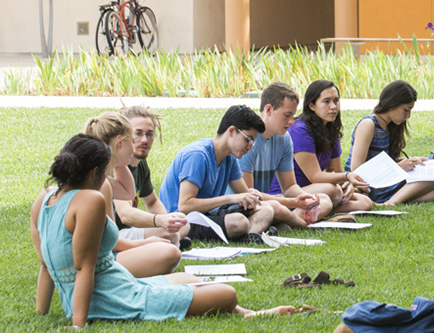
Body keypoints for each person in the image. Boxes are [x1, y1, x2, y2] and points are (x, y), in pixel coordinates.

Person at [30, 134, 303, 328]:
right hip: (117, 298)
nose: (109, 178)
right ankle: (245, 311)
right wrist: (78, 325)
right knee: (227, 294)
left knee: (187, 276)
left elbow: (46, 265)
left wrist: (41, 313)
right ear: (94, 171)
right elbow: (84, 268)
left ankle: (249, 314)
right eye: (106, 171)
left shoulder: (46, 197)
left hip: (118, 284)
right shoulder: (90, 199)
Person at [79, 112, 181, 278]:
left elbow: (129, 192)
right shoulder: (101, 183)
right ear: (120, 142)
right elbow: (110, 242)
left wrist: (118, 160)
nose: (138, 144)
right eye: (133, 138)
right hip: (100, 262)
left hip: (104, 253)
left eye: (149, 134)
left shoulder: (106, 177)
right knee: (169, 254)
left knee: (169, 249)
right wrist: (146, 242)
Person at [159, 105, 279, 243]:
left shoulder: (230, 158)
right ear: (232, 131)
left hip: (210, 215)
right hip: (183, 221)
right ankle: (250, 232)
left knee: (266, 209)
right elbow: (185, 206)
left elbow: (245, 197)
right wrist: (229, 198)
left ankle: (248, 236)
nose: (250, 147)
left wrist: (252, 197)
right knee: (239, 222)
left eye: (253, 142)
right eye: (248, 140)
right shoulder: (197, 156)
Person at [236, 82, 330, 227]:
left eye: (293, 115)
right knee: (277, 208)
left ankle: (287, 221)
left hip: (268, 201)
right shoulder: (248, 139)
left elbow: (290, 186)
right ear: (268, 109)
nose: (292, 121)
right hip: (245, 204)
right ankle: (299, 223)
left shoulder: (284, 138)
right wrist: (292, 202)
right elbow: (247, 193)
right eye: (287, 115)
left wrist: (305, 199)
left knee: (324, 199)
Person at [275, 79, 373, 213]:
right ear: (312, 106)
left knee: (364, 202)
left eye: (336, 101)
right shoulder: (299, 130)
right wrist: (347, 176)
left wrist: (347, 185)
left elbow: (336, 171)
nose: (333, 106)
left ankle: (320, 210)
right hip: (290, 192)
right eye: (326, 101)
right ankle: (303, 211)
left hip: (316, 189)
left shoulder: (330, 129)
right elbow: (314, 176)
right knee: (332, 190)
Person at [345, 80, 434, 206]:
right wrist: (398, 167)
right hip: (367, 185)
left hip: (384, 180)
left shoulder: (390, 126)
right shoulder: (368, 124)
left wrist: (409, 161)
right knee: (431, 182)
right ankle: (390, 202)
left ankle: (391, 200)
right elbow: (356, 169)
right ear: (392, 104)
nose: (408, 115)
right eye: (406, 110)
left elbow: (384, 160)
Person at [112, 106, 190, 247]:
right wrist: (159, 222)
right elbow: (125, 215)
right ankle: (168, 241)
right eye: (138, 134)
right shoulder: (116, 166)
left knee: (182, 222)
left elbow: (152, 202)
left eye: (149, 134)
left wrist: (167, 221)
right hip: (114, 235)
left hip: (129, 231)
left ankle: (168, 241)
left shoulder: (141, 165)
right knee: (171, 232)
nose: (144, 140)